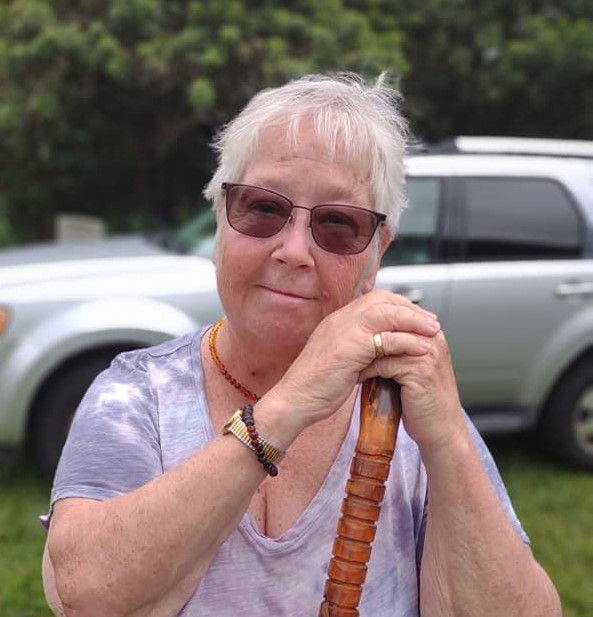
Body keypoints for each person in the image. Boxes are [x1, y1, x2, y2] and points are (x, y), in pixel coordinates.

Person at [41, 72, 561, 617]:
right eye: (263, 208)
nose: (293, 250)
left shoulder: (407, 412)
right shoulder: (136, 393)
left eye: (338, 224)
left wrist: (448, 440)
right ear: (220, 220)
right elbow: (85, 593)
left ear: (376, 255)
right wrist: (287, 406)